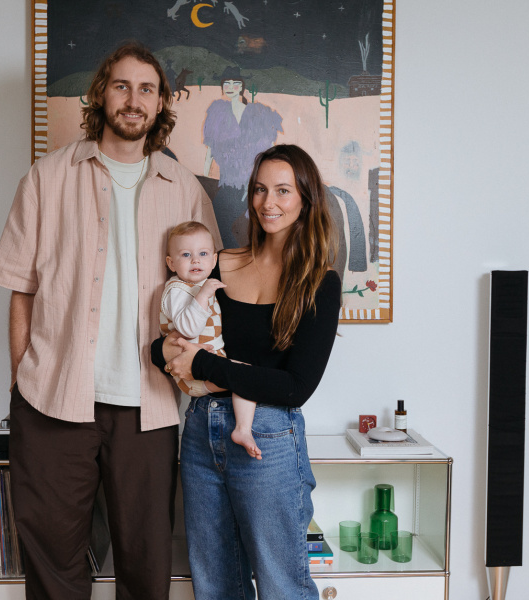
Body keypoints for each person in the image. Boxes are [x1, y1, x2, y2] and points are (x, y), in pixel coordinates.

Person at [0, 41, 220, 600]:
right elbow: (22, 291)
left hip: (151, 406)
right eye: (122, 85)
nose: (133, 99)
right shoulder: (46, 178)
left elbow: (210, 290)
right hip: (53, 402)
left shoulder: (183, 188)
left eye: (147, 89)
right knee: (54, 564)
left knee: (146, 566)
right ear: (100, 93)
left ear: (161, 103)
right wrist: (21, 381)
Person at [153, 144, 341, 599]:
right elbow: (169, 342)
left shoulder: (320, 281)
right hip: (200, 433)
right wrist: (168, 351)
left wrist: (201, 364)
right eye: (260, 189)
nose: (268, 202)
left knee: (282, 586)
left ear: (305, 198)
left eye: (282, 190)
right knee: (215, 583)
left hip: (269, 439)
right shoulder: (217, 263)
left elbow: (295, 387)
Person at [160, 220, 260, 459]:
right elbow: (186, 328)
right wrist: (204, 294)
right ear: (171, 263)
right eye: (186, 255)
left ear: (214, 261)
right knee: (246, 376)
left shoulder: (201, 285)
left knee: (245, 376)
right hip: (191, 375)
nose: (196, 260)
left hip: (207, 366)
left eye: (203, 254)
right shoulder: (177, 289)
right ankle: (243, 429)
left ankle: (243, 429)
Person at [203, 66, 283, 246]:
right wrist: (205, 173)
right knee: (212, 220)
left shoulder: (257, 113)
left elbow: (268, 149)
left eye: (235, 83)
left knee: (217, 220)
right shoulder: (217, 111)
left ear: (241, 87)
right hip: (227, 180)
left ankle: (234, 257)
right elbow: (210, 147)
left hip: (251, 182)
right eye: (227, 83)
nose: (231, 86)